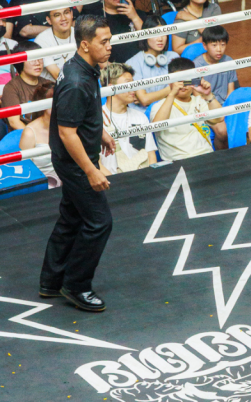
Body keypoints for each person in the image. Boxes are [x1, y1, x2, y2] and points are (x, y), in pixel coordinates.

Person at [40, 14, 115, 312]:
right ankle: (76, 285)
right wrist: (91, 169)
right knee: (99, 222)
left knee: (71, 219)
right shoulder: (74, 80)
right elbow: (66, 132)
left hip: (74, 155)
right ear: (85, 45)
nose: (110, 47)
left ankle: (50, 280)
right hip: (74, 162)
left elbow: (80, 115)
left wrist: (102, 133)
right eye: (104, 41)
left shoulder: (80, 67)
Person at [150, 57, 223, 161]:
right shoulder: (159, 106)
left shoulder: (199, 101)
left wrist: (208, 95)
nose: (183, 84)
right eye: (178, 80)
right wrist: (171, 94)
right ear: (170, 81)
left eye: (187, 80)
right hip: (178, 162)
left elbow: (219, 119)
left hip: (206, 157)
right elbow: (157, 127)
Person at [99, 63, 157, 175]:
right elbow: (95, 164)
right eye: (127, 84)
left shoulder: (140, 117)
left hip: (143, 179)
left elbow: (151, 155)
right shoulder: (96, 118)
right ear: (111, 87)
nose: (133, 88)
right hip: (111, 181)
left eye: (133, 83)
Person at [125, 15, 179, 113]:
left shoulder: (173, 57)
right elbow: (145, 100)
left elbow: (188, 84)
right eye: (155, 34)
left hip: (172, 110)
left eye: (164, 34)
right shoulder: (133, 62)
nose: (160, 39)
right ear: (145, 36)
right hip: (145, 115)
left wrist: (150, 97)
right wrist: (172, 89)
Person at [3, 41, 53, 131]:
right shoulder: (11, 87)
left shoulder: (48, 84)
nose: (38, 63)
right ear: (20, 62)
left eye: (40, 58)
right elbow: (14, 122)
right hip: (22, 136)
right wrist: (34, 136)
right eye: (32, 59)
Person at [18, 82, 59, 188]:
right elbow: (26, 171)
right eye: (55, 100)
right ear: (43, 104)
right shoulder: (30, 133)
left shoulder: (69, 125)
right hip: (43, 188)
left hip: (69, 183)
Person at [193, 26, 237, 104]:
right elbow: (197, 94)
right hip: (206, 105)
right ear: (205, 45)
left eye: (222, 45)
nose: (219, 49)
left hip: (225, 105)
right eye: (214, 45)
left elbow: (231, 91)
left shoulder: (229, 61)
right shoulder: (196, 65)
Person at [34, 7, 75, 81]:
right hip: (52, 88)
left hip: (78, 85)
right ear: (49, 20)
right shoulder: (42, 40)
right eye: (57, 15)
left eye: (66, 13)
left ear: (72, 14)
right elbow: (57, 75)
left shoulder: (80, 34)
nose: (63, 18)